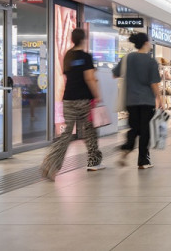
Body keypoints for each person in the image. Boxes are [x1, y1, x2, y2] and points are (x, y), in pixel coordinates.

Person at [41, 28, 104, 180]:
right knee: (89, 131)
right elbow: (89, 78)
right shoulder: (86, 57)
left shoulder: (68, 56)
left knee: (66, 135)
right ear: (84, 39)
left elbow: (67, 76)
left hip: (68, 99)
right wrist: (98, 95)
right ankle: (93, 161)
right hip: (83, 100)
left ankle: (50, 163)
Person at [113, 32, 164, 169]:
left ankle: (126, 148)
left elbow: (115, 74)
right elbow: (154, 83)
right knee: (145, 131)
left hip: (131, 100)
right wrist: (159, 99)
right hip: (146, 101)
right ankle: (143, 161)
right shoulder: (151, 61)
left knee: (134, 127)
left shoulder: (127, 58)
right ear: (146, 43)